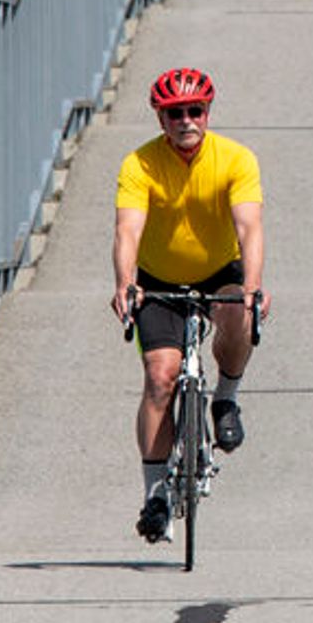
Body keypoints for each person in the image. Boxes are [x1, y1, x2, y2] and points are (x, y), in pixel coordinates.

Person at [111, 64, 266, 542]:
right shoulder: (139, 164)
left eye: (194, 111)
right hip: (158, 277)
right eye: (175, 113)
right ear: (160, 118)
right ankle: (155, 495)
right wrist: (125, 283)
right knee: (160, 376)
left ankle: (226, 400)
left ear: (208, 113)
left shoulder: (236, 159)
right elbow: (128, 230)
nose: (186, 120)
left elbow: (249, 228)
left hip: (220, 270)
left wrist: (254, 285)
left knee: (239, 309)